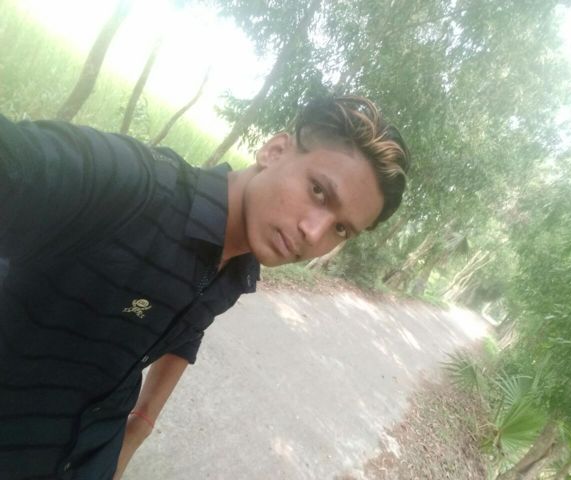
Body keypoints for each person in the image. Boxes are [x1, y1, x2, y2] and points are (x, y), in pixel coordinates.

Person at [0, 96, 410, 479]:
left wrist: (139, 428)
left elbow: (187, 325)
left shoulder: (240, 267)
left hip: (91, 453)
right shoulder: (137, 188)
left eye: (341, 229)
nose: (314, 233)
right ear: (274, 151)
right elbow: (21, 167)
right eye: (318, 191)